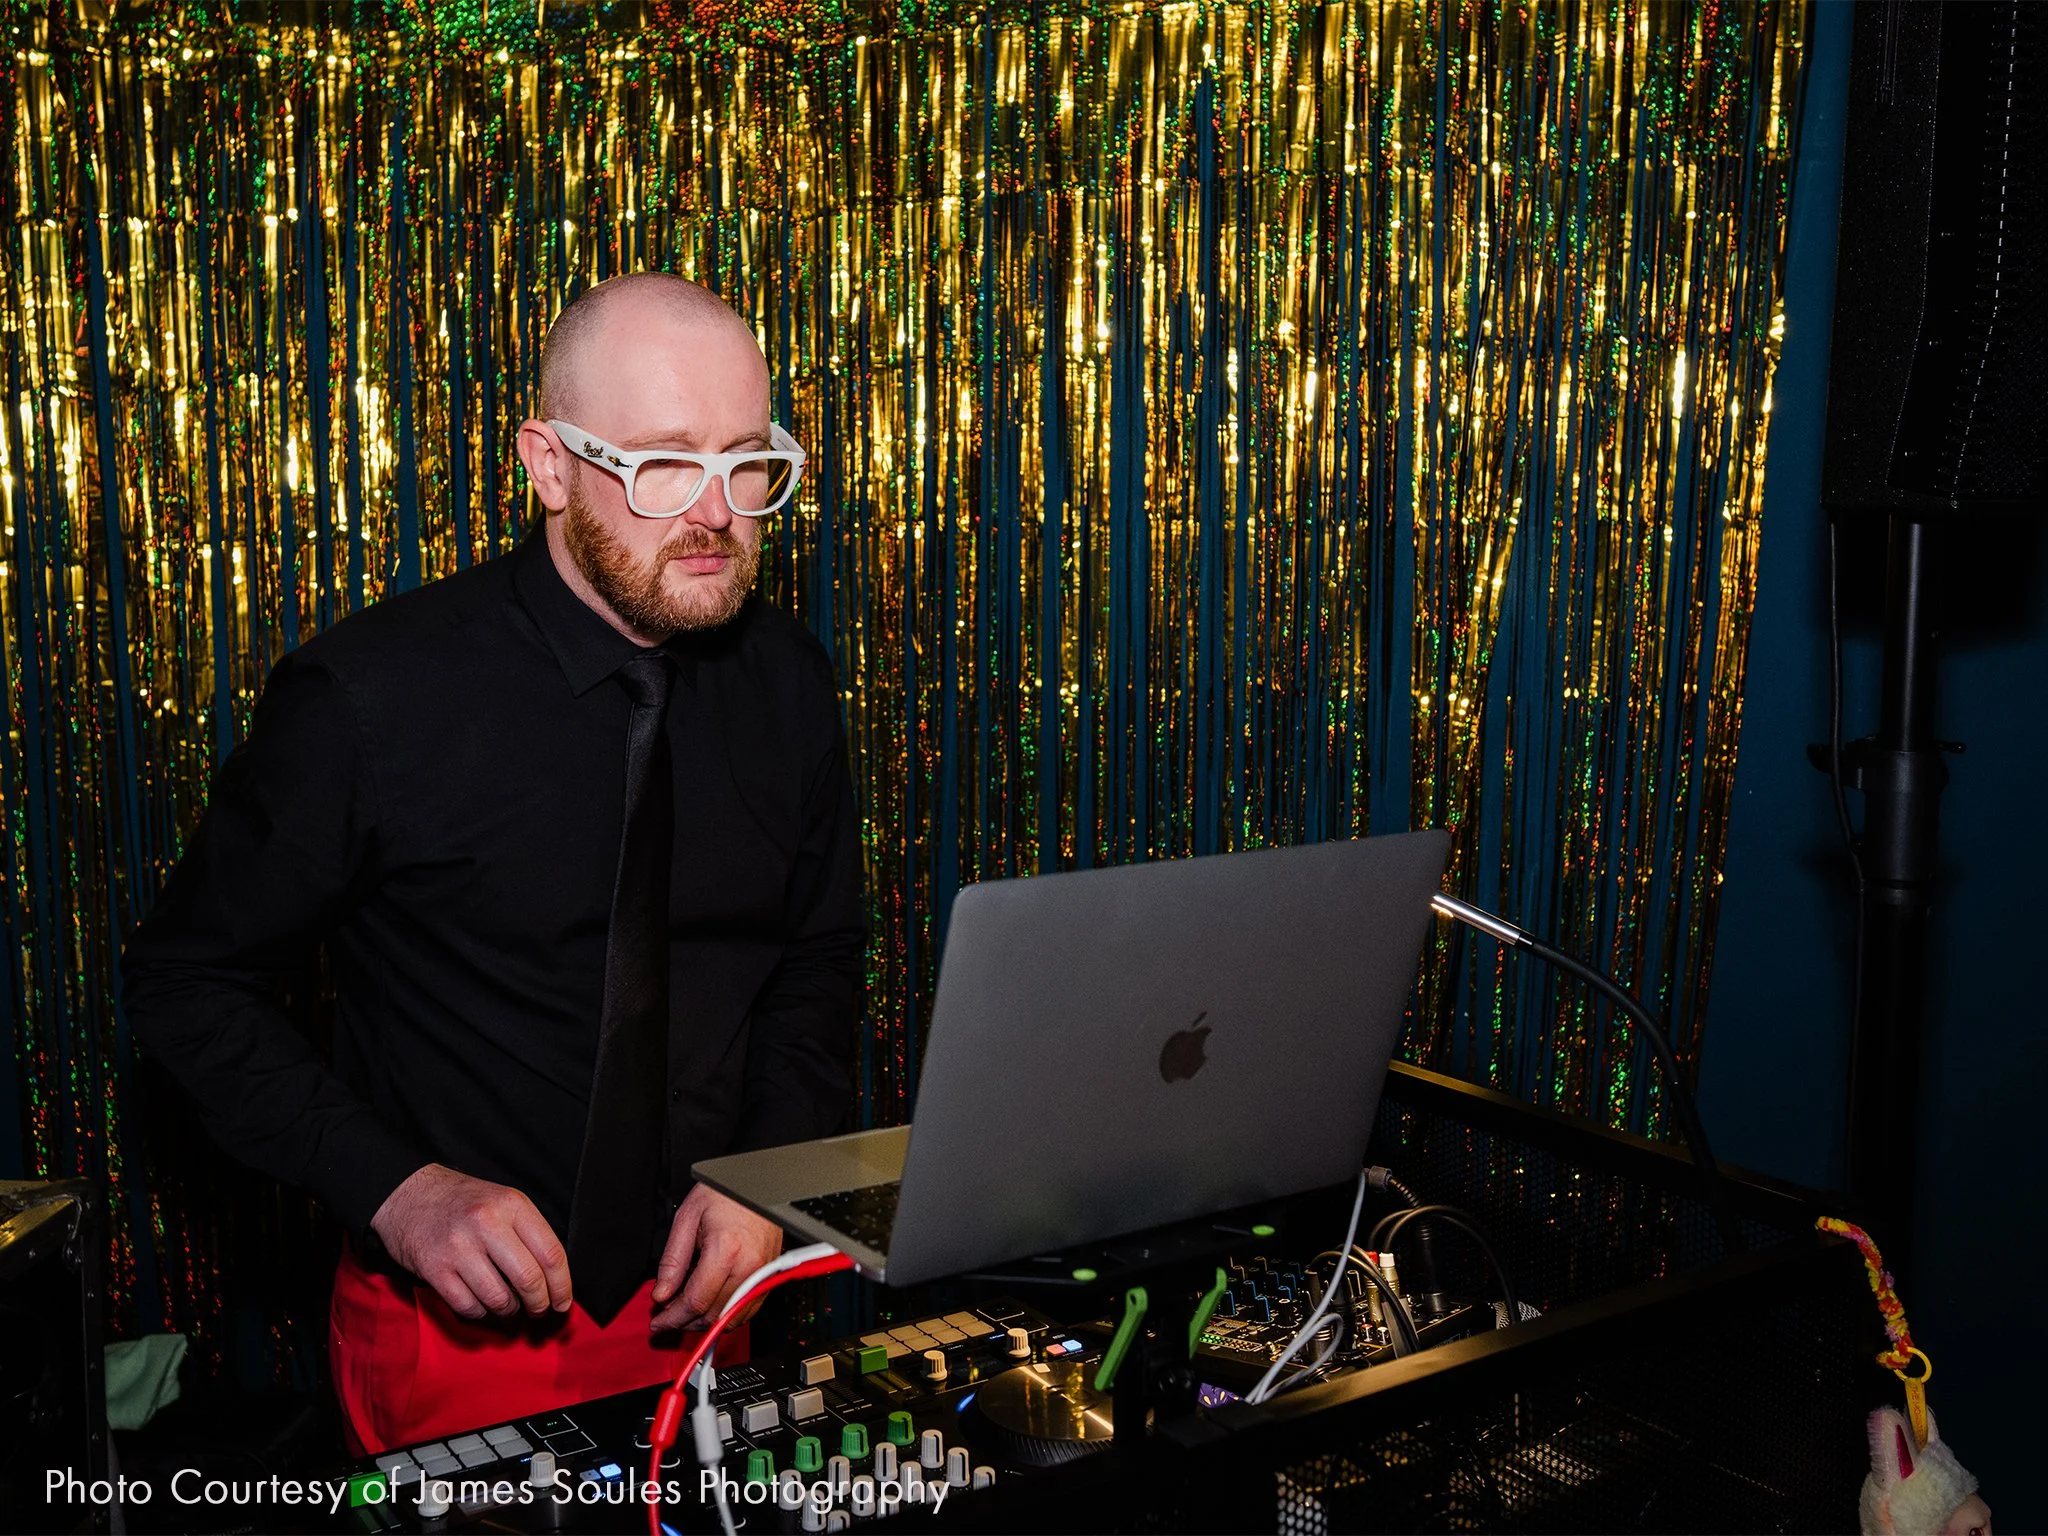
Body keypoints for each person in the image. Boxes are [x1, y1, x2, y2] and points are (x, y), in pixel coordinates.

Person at [121, 273, 863, 1454]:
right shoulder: (369, 699)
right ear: (549, 465)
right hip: (455, 1339)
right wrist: (396, 1189)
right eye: (663, 464)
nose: (717, 511)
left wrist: (764, 1178)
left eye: (748, 460)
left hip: (723, 1309)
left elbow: (815, 962)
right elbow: (183, 985)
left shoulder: (790, 684)